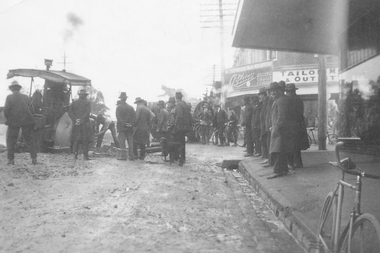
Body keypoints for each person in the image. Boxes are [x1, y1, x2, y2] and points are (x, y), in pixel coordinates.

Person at [4, 80, 37, 165]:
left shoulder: (9, 97)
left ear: (11, 89)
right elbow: (32, 110)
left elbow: (6, 111)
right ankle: (34, 159)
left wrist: (10, 119)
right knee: (29, 140)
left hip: (14, 121)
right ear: (19, 89)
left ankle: (11, 160)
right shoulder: (26, 97)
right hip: (27, 120)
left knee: (11, 140)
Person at [267, 82, 294, 179]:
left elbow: (281, 117)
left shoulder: (281, 101)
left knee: (278, 150)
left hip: (281, 131)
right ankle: (283, 169)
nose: (272, 93)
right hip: (282, 129)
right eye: (271, 91)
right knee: (281, 150)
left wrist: (276, 127)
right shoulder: (281, 99)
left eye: (274, 90)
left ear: (279, 90)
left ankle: (278, 170)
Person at [68, 88, 93, 160]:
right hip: (84, 124)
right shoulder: (87, 103)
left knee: (76, 139)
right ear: (85, 95)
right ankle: (85, 156)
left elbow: (70, 112)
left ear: (79, 95)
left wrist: (75, 120)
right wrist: (81, 120)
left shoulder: (74, 103)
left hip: (76, 124)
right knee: (85, 140)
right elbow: (87, 113)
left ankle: (75, 155)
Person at [285, 83, 306, 169]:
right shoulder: (298, 99)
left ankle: (294, 163)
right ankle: (297, 162)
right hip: (297, 124)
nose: (287, 93)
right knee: (295, 145)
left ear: (292, 92)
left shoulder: (293, 100)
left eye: (288, 91)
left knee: (293, 145)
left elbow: (294, 113)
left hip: (294, 124)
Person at [168, 92, 192, 163]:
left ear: (176, 98)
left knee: (177, 143)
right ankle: (182, 157)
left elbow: (179, 116)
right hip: (185, 127)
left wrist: (175, 125)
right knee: (182, 143)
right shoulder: (184, 104)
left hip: (179, 127)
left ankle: (179, 158)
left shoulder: (178, 105)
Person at [116, 92, 136, 160]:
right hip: (130, 128)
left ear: (121, 99)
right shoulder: (131, 108)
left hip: (122, 128)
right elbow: (134, 118)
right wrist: (130, 124)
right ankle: (131, 156)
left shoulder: (118, 107)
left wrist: (124, 124)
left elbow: (118, 118)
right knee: (130, 142)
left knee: (122, 142)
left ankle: (124, 156)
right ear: (126, 99)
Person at [258, 87, 269, 160]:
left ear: (265, 95)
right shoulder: (263, 103)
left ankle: (267, 158)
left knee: (266, 141)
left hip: (266, 125)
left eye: (261, 95)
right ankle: (265, 156)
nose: (260, 96)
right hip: (263, 125)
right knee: (263, 140)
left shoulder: (268, 102)